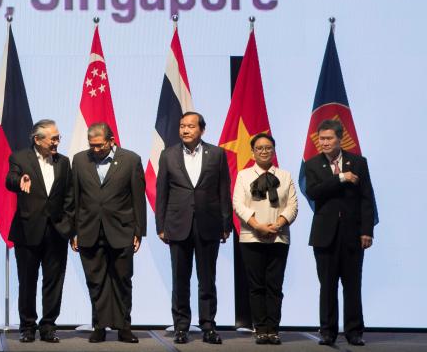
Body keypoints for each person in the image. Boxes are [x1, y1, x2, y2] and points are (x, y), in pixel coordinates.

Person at [155, 111, 232, 345]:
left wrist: (226, 223)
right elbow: (162, 194)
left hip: (209, 225)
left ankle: (208, 326)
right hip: (178, 225)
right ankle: (181, 327)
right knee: (180, 279)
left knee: (207, 279)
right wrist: (161, 225)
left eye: (190, 126)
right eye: (182, 126)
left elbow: (223, 191)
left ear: (202, 130)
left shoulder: (217, 154)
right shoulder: (168, 155)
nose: (185, 130)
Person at [69, 123, 145, 344]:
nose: (95, 150)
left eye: (100, 146)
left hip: (122, 230)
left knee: (122, 280)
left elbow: (137, 199)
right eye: (92, 145)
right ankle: (99, 326)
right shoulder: (80, 160)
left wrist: (138, 231)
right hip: (89, 230)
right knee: (96, 281)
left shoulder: (131, 160)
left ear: (111, 141)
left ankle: (124, 328)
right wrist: (73, 231)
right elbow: (74, 197)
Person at [304, 119, 376, 347]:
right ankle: (327, 332)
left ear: (339, 139)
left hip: (353, 234)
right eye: (321, 139)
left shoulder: (358, 162)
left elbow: (367, 198)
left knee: (353, 285)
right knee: (327, 286)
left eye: (328, 138)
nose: (324, 143)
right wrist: (341, 177)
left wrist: (367, 231)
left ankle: (354, 331)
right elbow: (314, 192)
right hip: (324, 236)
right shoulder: (312, 164)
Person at [4, 119, 71, 343]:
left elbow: (70, 195)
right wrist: (19, 180)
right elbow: (10, 179)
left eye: (58, 137)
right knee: (27, 280)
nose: (57, 142)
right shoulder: (20, 157)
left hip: (57, 232)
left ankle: (49, 326)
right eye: (53, 138)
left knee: (54, 281)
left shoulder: (64, 162)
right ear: (37, 139)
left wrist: (69, 226)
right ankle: (27, 326)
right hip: (27, 230)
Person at [232, 133, 298, 345]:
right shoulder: (243, 175)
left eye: (268, 147)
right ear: (252, 152)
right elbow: (238, 204)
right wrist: (258, 226)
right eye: (259, 148)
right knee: (256, 286)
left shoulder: (285, 175)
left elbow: (293, 205)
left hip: (279, 237)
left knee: (274, 286)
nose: (264, 151)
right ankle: (260, 328)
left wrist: (278, 224)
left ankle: (273, 329)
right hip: (251, 236)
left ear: (274, 150)